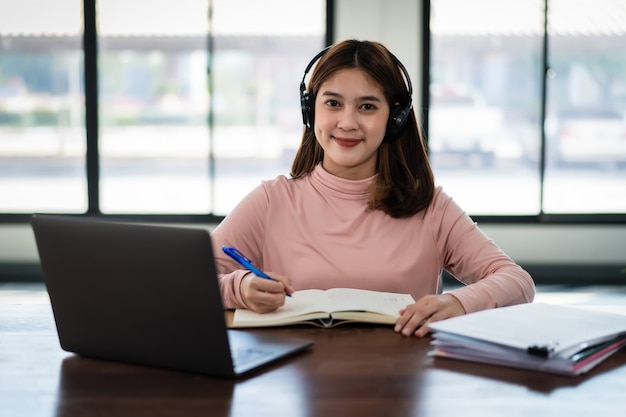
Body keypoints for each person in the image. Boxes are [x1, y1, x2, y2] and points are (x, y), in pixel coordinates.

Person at [211, 39, 535, 337]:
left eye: (367, 107)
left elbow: (517, 282)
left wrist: (459, 304)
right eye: (333, 103)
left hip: (401, 380)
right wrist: (239, 288)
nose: (348, 122)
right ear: (311, 111)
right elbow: (188, 281)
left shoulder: (431, 207)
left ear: (394, 118)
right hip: (293, 382)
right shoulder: (271, 201)